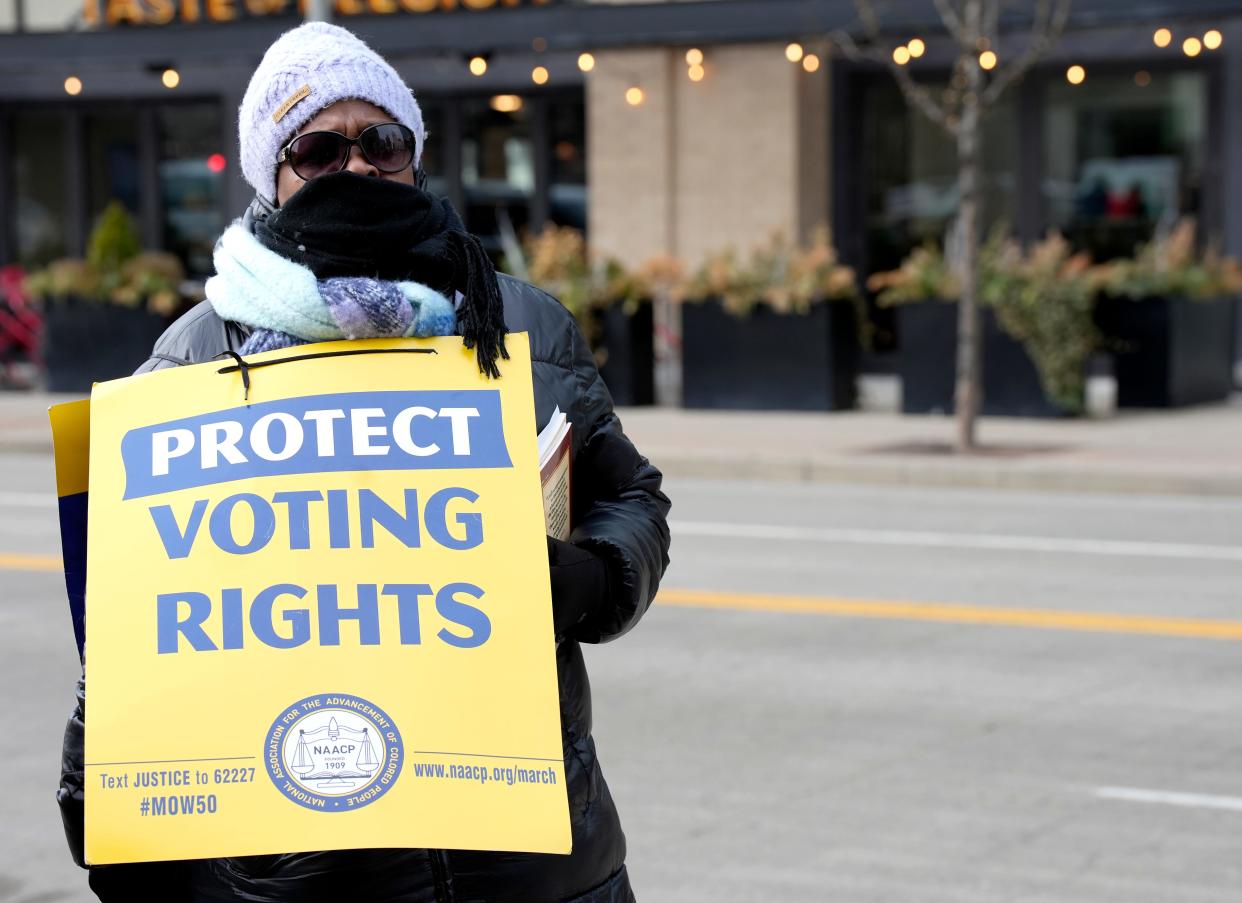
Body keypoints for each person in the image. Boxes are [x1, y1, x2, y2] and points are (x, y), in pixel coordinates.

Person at [56, 22, 671, 903]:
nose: (357, 168)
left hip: (523, 852)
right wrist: (106, 789)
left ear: (411, 157)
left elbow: (631, 495)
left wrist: (594, 573)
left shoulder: (519, 325)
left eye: (381, 141)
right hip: (290, 862)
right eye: (317, 148)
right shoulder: (195, 356)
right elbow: (135, 608)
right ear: (272, 174)